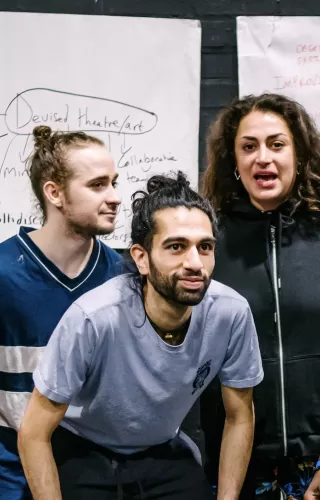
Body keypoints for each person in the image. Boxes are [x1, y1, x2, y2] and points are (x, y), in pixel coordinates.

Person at [18, 171, 263, 500]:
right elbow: (33, 434)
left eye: (205, 247)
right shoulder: (93, 318)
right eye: (176, 246)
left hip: (160, 450)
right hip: (81, 449)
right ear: (142, 258)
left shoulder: (231, 313)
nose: (195, 263)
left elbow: (240, 416)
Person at [201, 92, 320, 500]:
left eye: (276, 144)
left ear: (299, 155)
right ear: (234, 161)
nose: (262, 157)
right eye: (248, 147)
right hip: (238, 467)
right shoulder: (208, 241)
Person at [0, 125, 122, 500]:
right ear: (54, 192)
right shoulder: (4, 273)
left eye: (114, 182)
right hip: (12, 473)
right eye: (98, 185)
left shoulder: (121, 275)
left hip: (98, 473)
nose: (115, 197)